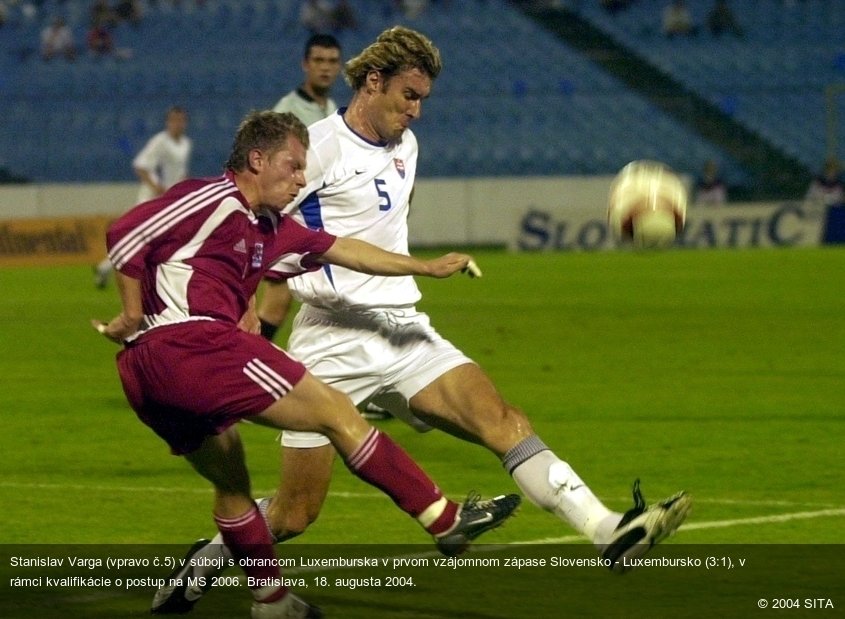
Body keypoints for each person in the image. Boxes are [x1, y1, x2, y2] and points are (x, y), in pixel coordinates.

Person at [155, 27, 692, 614]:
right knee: (296, 512)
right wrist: (245, 310)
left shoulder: (407, 147)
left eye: (423, 100)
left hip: (403, 328)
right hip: (331, 340)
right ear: (373, 82)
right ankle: (207, 557)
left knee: (502, 419)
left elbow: (384, 233)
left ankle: (606, 529)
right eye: (408, 96)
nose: (415, 110)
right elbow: (254, 226)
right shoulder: (318, 148)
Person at [94, 109, 520, 619]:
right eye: (293, 167)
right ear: (256, 159)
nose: (301, 179)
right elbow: (124, 232)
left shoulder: (272, 228)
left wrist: (424, 266)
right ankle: (445, 520)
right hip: (191, 346)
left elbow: (348, 251)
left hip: (149, 375)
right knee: (337, 412)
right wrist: (132, 312)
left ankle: (270, 601)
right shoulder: (213, 197)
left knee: (232, 484)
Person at [258, 34, 342, 342]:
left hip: (319, 219)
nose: (325, 68)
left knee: (292, 301)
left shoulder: (332, 108)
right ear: (305, 65)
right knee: (279, 296)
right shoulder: (288, 111)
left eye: (332, 61)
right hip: (290, 215)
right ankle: (243, 363)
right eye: (318, 61)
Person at [95, 106, 192, 288]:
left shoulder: (185, 144)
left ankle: (106, 268)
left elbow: (181, 171)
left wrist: (182, 188)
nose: (177, 124)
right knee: (139, 240)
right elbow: (140, 166)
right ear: (168, 122)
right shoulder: (160, 142)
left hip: (170, 201)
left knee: (153, 240)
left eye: (181, 120)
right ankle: (112, 268)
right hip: (151, 199)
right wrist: (157, 187)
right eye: (174, 120)